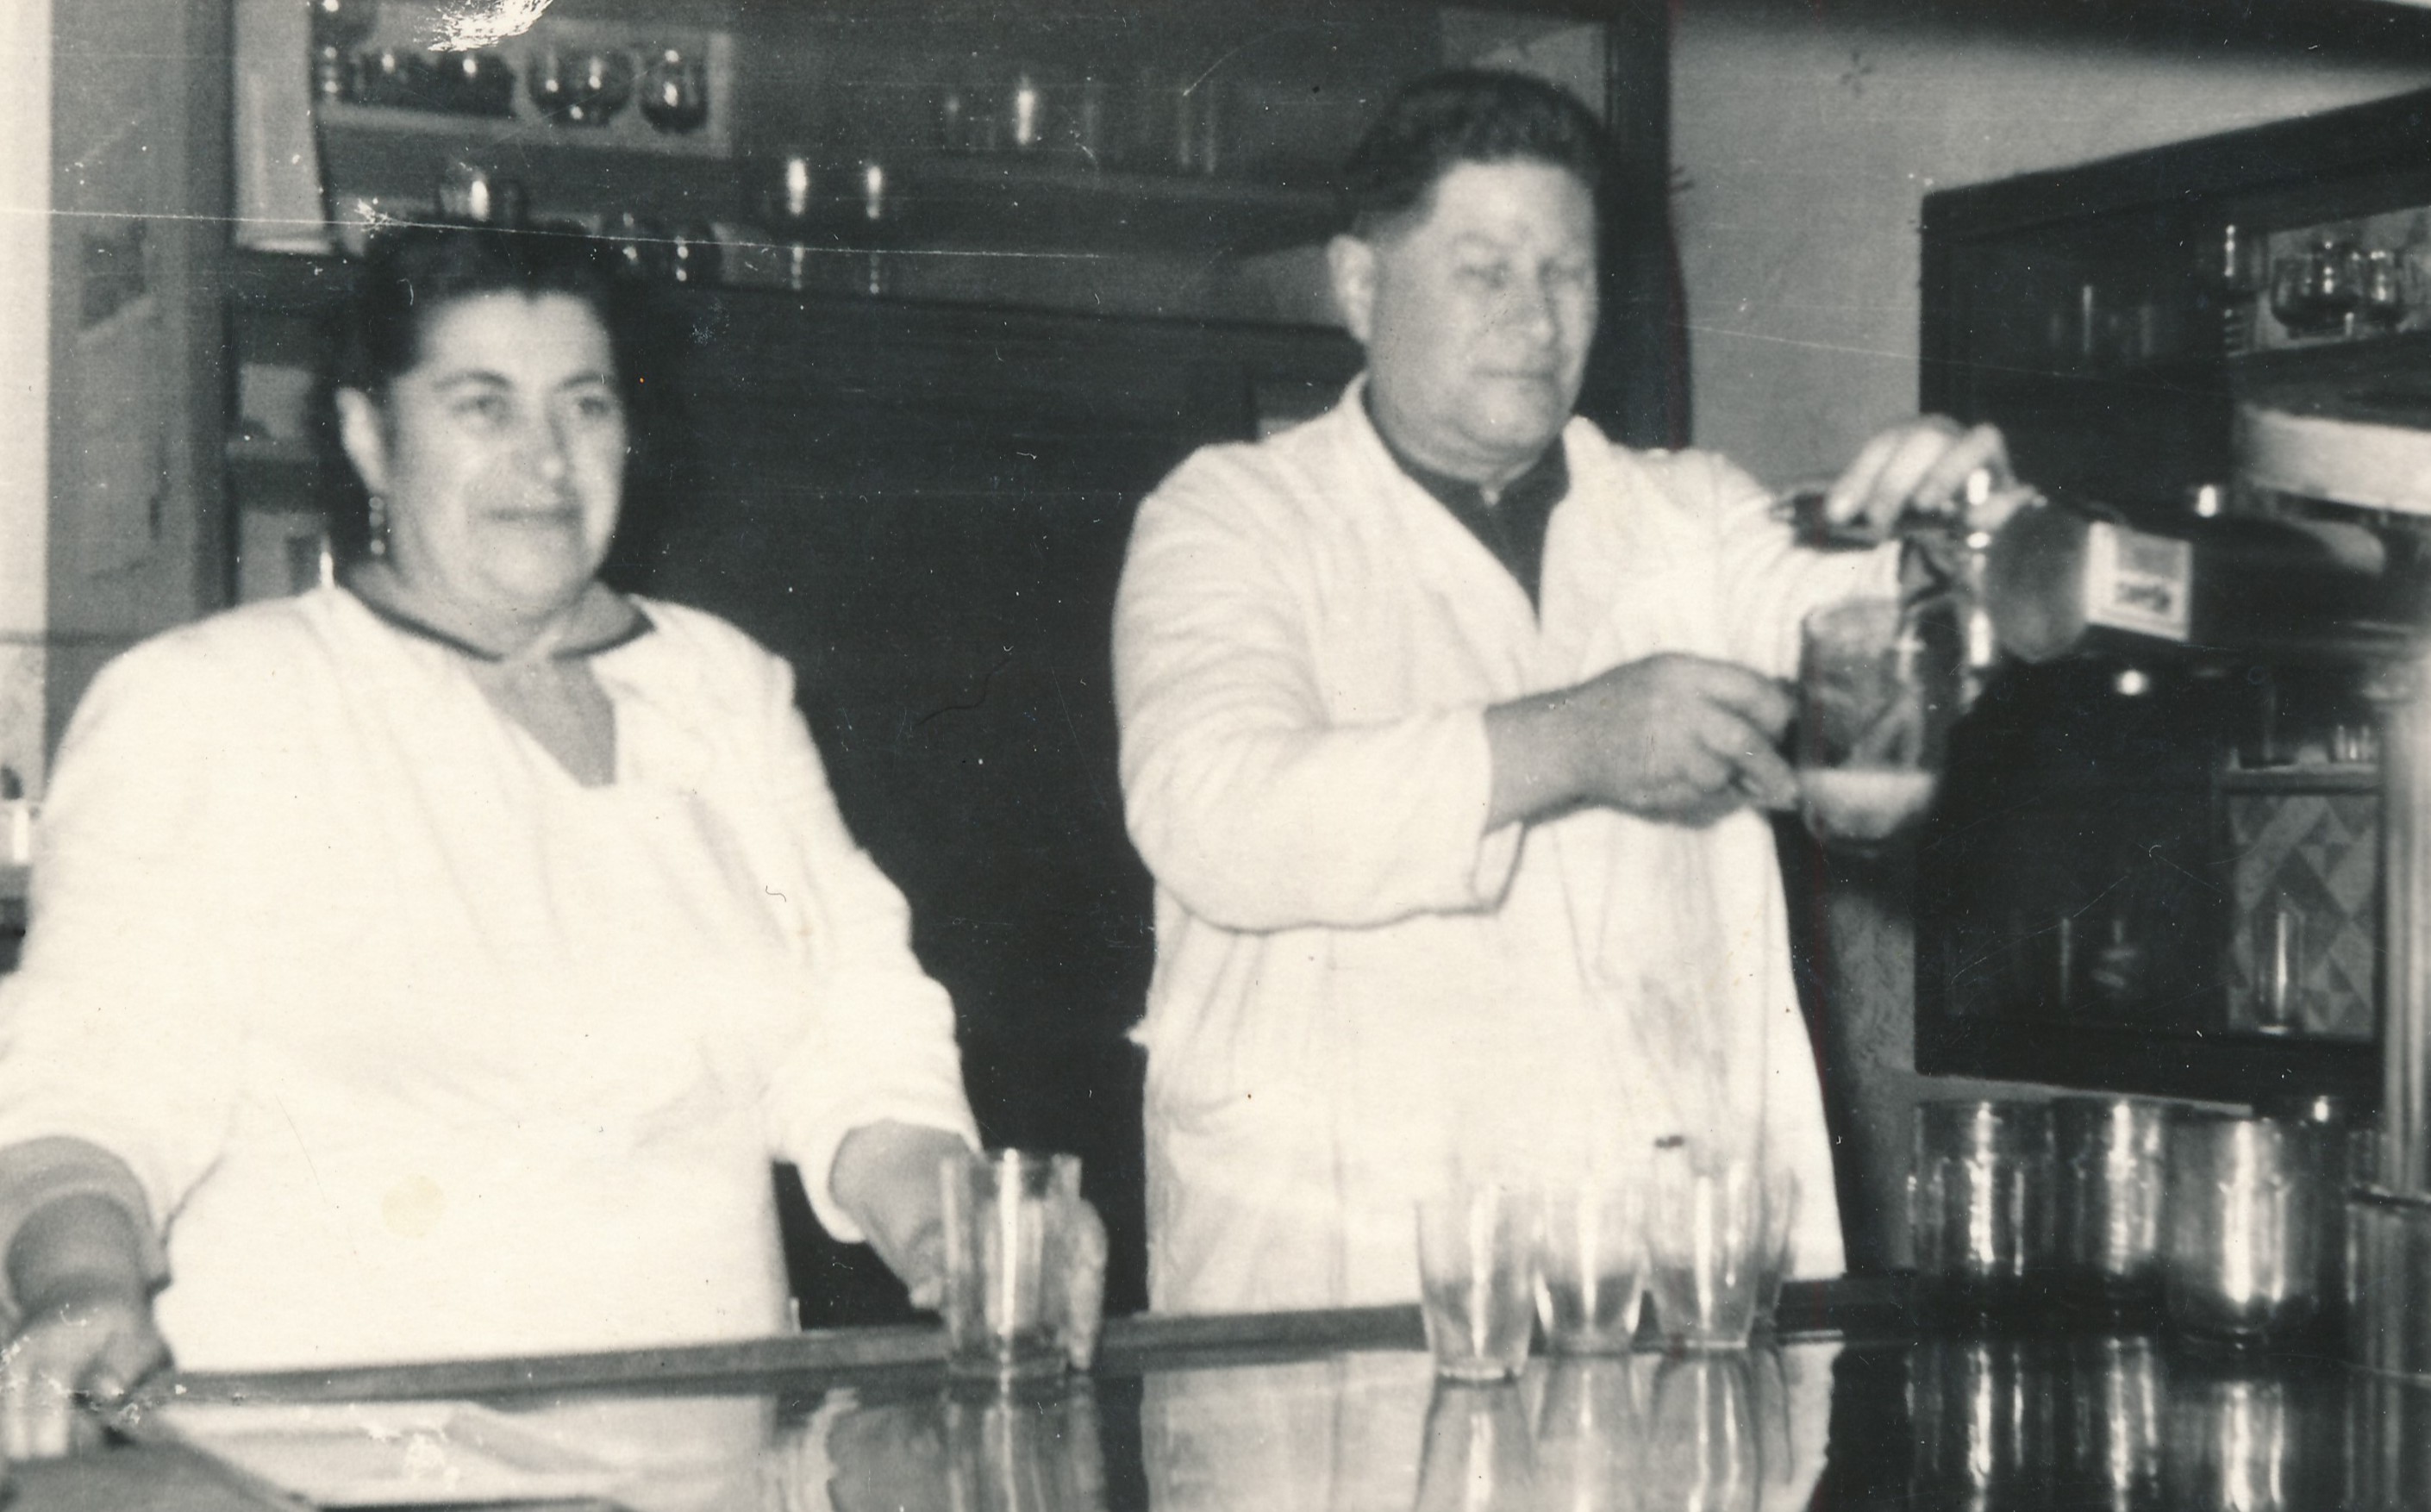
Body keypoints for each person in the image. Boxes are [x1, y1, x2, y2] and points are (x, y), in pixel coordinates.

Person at [0, 227, 981, 1453]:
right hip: (327, 1466)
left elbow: (854, 1039)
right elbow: (91, 1088)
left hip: (696, 1461)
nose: (547, 457)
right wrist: (79, 1286)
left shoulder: (724, 688)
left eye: (585, 403)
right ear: (369, 436)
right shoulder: (212, 702)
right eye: (482, 405)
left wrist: (951, 1222)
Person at [1112, 69, 2025, 1313]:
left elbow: (1878, 629)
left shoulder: (1690, 513)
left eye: (1568, 274)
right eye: (1486, 272)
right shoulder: (1233, 517)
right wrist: (1577, 740)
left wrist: (1972, 548)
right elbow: (1213, 814)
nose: (1537, 320)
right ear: (1361, 286)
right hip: (1341, 1269)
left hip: (1658, 1264)